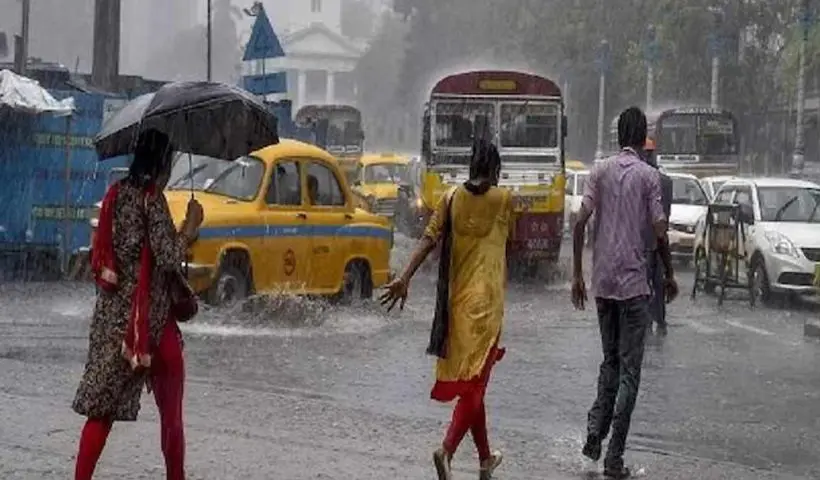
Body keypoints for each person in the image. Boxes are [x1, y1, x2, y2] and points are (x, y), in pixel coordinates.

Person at [72, 129, 204, 480]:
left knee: (100, 412)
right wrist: (190, 228)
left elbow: (115, 252)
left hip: (112, 321)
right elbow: (167, 256)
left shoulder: (115, 195)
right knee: (171, 416)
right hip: (151, 325)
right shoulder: (151, 199)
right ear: (162, 161)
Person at [380, 140, 511, 480]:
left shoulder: (450, 198)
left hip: (457, 304)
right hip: (488, 308)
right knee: (476, 384)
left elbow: (427, 239)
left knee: (471, 382)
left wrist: (405, 277)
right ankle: (447, 450)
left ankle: (485, 459)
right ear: (495, 170)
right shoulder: (504, 201)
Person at [571, 107, 678, 479]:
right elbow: (660, 229)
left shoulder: (598, 171)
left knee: (609, 362)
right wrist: (668, 273)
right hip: (634, 287)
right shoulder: (649, 178)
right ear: (641, 139)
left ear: (619, 135)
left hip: (602, 284)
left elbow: (579, 221)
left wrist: (576, 276)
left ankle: (592, 441)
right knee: (631, 371)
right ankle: (614, 458)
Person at [642, 138, 673, 336]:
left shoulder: (638, 179)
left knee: (643, 282)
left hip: (640, 242)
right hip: (658, 239)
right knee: (658, 280)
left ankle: (646, 320)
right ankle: (659, 319)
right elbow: (665, 215)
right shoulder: (665, 181)